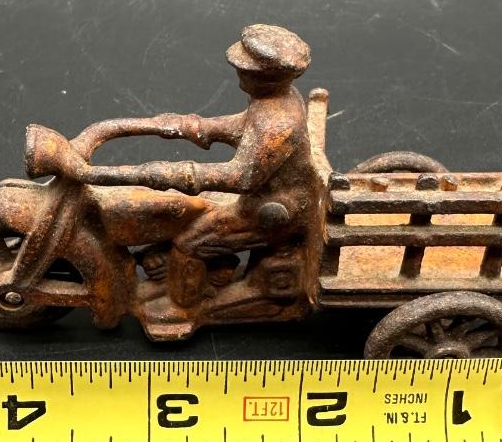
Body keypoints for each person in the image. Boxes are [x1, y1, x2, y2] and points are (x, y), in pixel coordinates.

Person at [38, 25, 320, 308]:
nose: (239, 74)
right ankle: (192, 270)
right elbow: (229, 127)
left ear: (266, 78)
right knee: (175, 208)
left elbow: (241, 177)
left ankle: (181, 306)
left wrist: (161, 173)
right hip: (261, 197)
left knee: (190, 242)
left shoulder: (278, 124)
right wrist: (166, 126)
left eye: (245, 70)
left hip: (271, 211)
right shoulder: (273, 102)